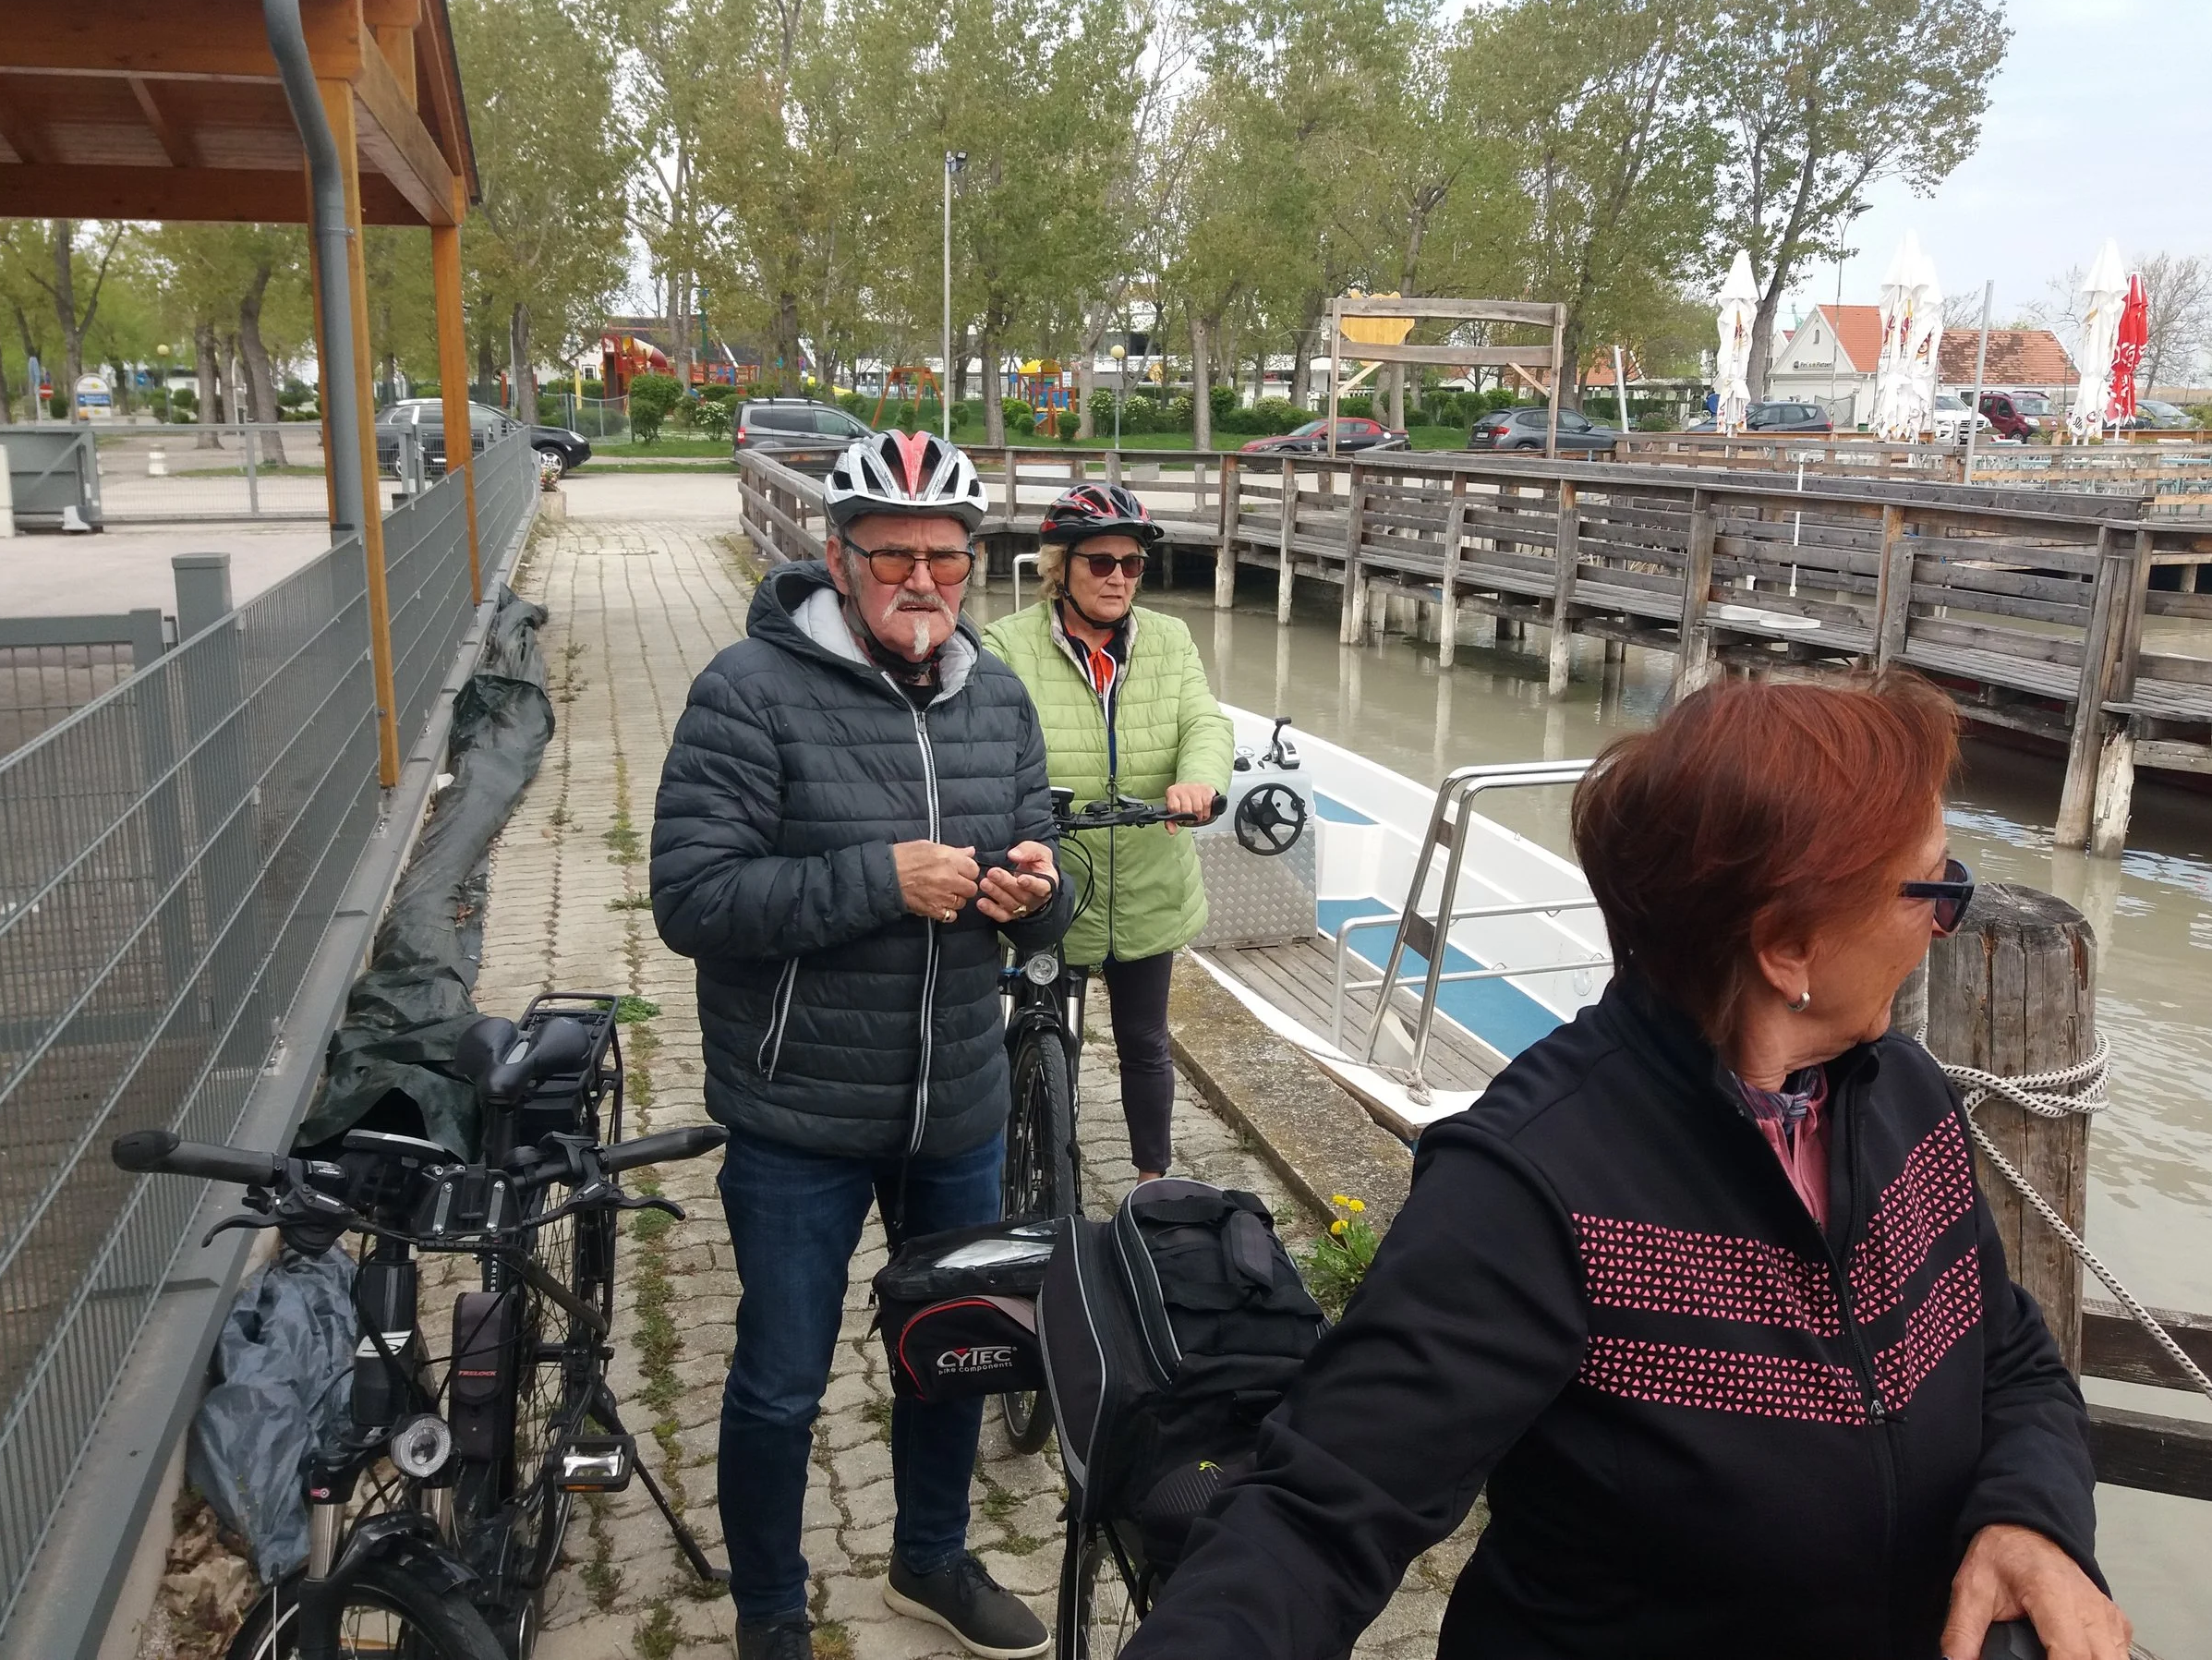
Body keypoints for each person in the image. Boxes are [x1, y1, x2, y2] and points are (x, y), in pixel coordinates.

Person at [1120, 672, 2131, 1660]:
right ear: (1787, 947)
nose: (1948, 919)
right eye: (1935, 889)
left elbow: (2010, 1358)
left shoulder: (1905, 1099)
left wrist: (2030, 1518)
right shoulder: (1535, 1185)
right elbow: (1319, 1514)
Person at [651, 430, 1067, 1660]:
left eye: (946, 555)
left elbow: (1049, 864)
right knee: (782, 1378)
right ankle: (772, 1611)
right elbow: (692, 898)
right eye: (893, 555)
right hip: (801, 1113)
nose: (922, 580)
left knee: (957, 1350)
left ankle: (930, 1558)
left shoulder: (1000, 694)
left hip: (959, 1105)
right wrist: (879, 880)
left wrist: (1040, 890)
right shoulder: (747, 689)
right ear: (837, 559)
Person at [981, 484, 1232, 1182]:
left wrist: (1199, 780)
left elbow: (1203, 721)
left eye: (1132, 563)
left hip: (1149, 875)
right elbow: (987, 743)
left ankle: (1153, 1186)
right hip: (1053, 875)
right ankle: (1030, 1166)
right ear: (1060, 567)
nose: (1119, 577)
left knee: (1145, 1042)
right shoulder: (1006, 644)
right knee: (1033, 1030)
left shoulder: (1170, 638)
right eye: (1100, 562)